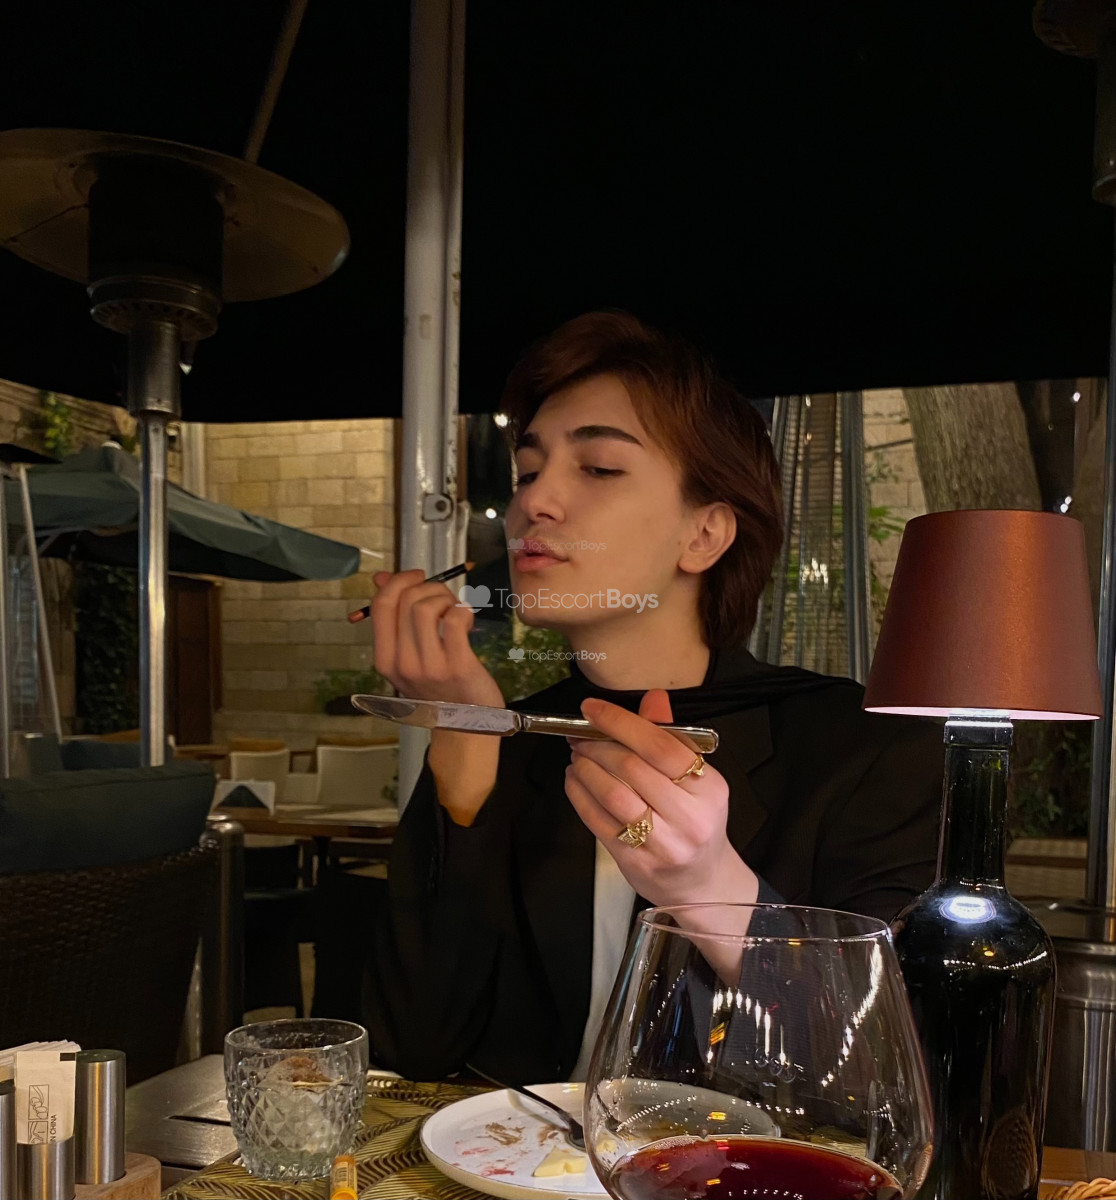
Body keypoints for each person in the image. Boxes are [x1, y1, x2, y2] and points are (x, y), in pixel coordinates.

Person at [363, 311, 943, 1083]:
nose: (534, 503)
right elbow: (411, 1055)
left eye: (599, 467)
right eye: (527, 472)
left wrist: (708, 887)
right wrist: (463, 739)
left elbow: (886, 1073)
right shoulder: (521, 741)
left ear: (704, 535)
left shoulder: (867, 748)